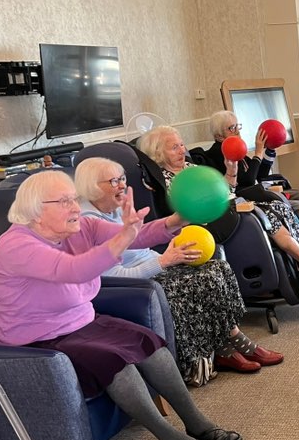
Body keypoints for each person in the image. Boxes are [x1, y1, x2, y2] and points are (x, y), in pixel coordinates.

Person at [0, 171, 241, 440]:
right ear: (36, 210)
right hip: (34, 339)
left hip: (79, 321)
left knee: (150, 343)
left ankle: (196, 423)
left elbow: (139, 235)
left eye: (74, 199)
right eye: (64, 201)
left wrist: (179, 218)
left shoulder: (80, 227)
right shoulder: (16, 245)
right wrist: (122, 239)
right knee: (115, 362)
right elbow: (72, 270)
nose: (75, 207)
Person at [75, 158, 284, 383]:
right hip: (134, 284)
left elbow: (142, 238)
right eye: (114, 181)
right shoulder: (88, 223)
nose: (122, 185)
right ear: (93, 186)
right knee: (199, 280)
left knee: (216, 268)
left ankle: (228, 342)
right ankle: (227, 349)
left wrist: (172, 243)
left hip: (154, 263)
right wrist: (163, 262)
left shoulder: (117, 208)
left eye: (122, 179)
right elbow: (110, 276)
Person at [138, 126, 299, 284]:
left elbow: (227, 191)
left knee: (279, 206)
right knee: (263, 214)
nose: (182, 150)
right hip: (207, 221)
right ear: (158, 153)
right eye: (174, 147)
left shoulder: (191, 168)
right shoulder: (166, 180)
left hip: (225, 208)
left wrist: (231, 170)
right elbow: (187, 210)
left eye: (182, 144)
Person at [204, 111, 299, 265]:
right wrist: (258, 152)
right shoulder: (220, 153)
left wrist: (269, 151)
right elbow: (248, 179)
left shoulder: (238, 149)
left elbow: (260, 175)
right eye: (231, 128)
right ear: (219, 136)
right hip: (246, 199)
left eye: (237, 126)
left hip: (257, 192)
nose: (238, 131)